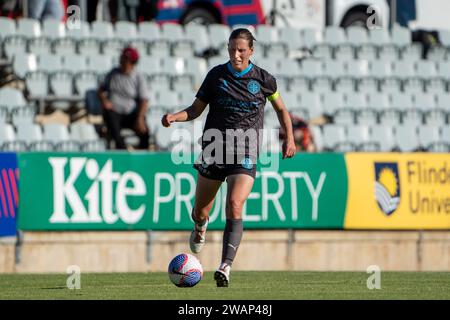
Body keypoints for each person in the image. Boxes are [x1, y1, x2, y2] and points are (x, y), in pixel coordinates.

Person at [161, 28, 296, 287]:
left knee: (234, 204)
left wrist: (288, 138)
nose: (236, 54)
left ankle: (225, 265)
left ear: (251, 51)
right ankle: (201, 227)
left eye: (241, 50)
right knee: (200, 211)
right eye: (232, 49)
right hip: (214, 150)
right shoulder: (216, 76)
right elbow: (196, 110)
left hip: (245, 152)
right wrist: (174, 117)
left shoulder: (264, 80)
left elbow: (282, 110)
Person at [98, 46, 150, 150]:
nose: (120, 59)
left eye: (123, 57)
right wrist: (104, 100)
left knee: (144, 131)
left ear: (130, 61)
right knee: (110, 118)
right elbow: (100, 90)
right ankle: (122, 150)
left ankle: (144, 155)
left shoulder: (138, 77)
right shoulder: (113, 73)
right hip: (115, 112)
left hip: (130, 114)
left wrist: (140, 118)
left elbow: (144, 100)